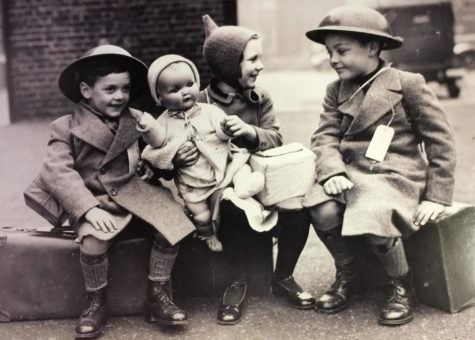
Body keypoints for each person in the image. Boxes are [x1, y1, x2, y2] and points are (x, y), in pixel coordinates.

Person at [304, 5, 456, 326]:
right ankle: (350, 274)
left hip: (395, 173)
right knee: (320, 206)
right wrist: (331, 171)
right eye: (329, 51)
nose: (333, 59)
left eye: (342, 50)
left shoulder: (407, 83)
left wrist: (437, 195)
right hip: (349, 172)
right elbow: (324, 137)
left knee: (374, 212)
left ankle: (401, 285)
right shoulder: (335, 91)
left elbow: (440, 140)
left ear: (373, 48)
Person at [36, 45, 196, 338]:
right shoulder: (65, 127)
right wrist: (87, 208)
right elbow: (57, 171)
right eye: (110, 89)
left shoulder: (136, 117)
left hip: (133, 189)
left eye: (125, 88)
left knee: (174, 222)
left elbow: (155, 150)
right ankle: (95, 301)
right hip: (95, 198)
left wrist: (156, 162)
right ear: (86, 90)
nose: (120, 96)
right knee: (94, 241)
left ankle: (157, 295)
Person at [171, 15, 316, 325]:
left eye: (259, 58)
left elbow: (275, 137)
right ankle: (236, 282)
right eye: (252, 59)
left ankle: (284, 274)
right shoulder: (196, 101)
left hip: (262, 176)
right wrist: (178, 158)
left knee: (299, 208)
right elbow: (169, 140)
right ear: (228, 64)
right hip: (219, 183)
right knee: (231, 207)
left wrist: (250, 132)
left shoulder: (260, 98)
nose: (260, 66)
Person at [130, 54, 264, 252]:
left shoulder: (209, 111)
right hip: (193, 184)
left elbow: (221, 131)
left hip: (222, 168)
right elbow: (157, 143)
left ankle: (245, 185)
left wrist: (225, 130)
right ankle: (208, 235)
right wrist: (148, 126)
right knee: (200, 215)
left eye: (189, 84)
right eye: (175, 90)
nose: (185, 92)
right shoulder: (164, 122)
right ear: (159, 97)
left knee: (240, 166)